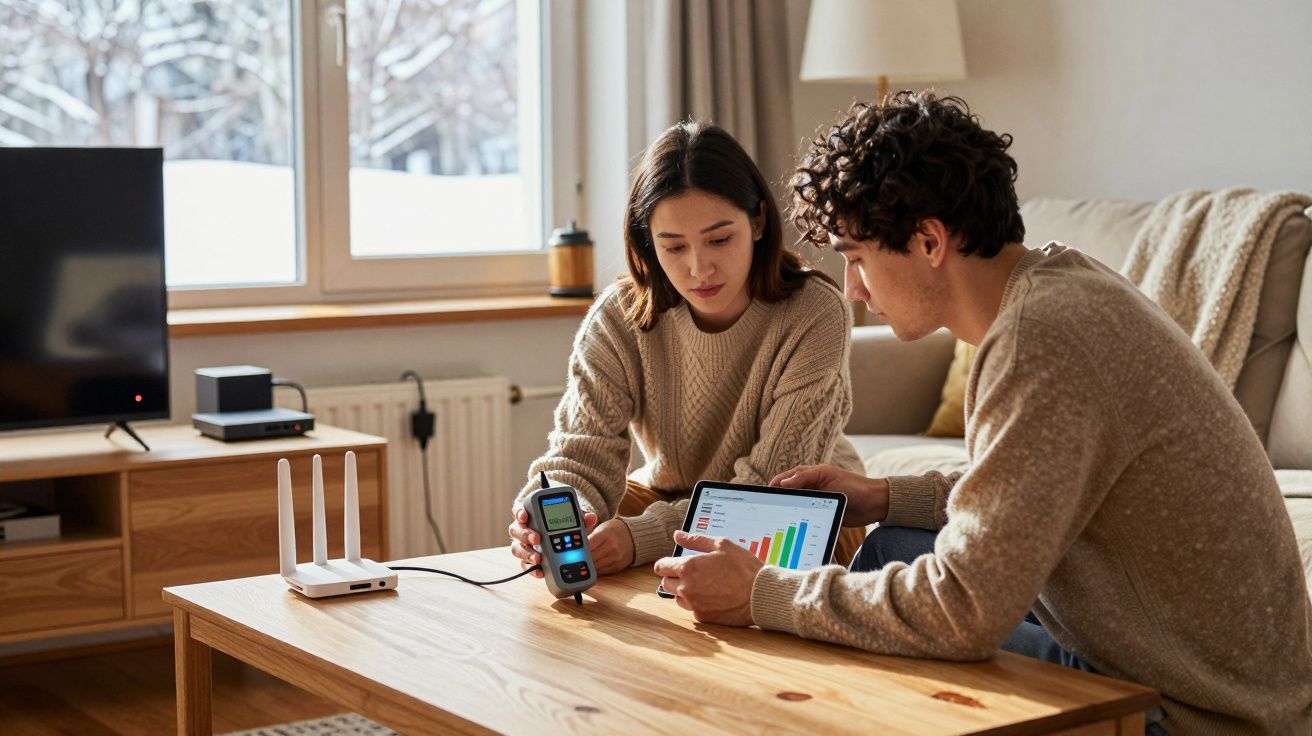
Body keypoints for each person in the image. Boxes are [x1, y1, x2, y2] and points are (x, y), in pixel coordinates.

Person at [653, 92, 1312, 734]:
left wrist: (759, 593)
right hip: (1198, 671)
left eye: (857, 258)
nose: (852, 288)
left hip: (1200, 713)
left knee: (859, 630)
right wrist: (883, 495)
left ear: (930, 241)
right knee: (886, 549)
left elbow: (961, 609)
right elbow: (1025, 492)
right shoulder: (1061, 283)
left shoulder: (1040, 340)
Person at [508, 121, 866, 578]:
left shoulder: (815, 312)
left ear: (757, 221)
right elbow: (581, 454)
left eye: (719, 239)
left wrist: (639, 538)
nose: (700, 268)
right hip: (672, 500)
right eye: (673, 247)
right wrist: (553, 517)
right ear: (647, 244)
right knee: (578, 551)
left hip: (798, 512)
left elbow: (770, 490)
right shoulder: (618, 318)